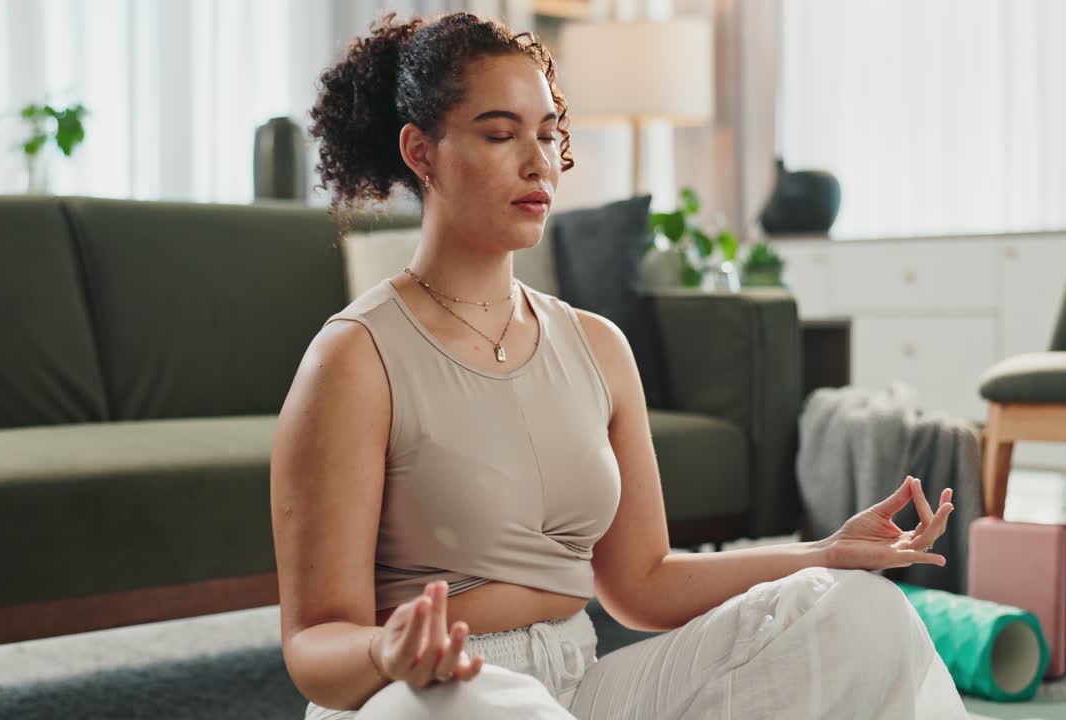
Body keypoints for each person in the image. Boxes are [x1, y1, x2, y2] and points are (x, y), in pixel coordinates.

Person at [270, 11, 966, 720]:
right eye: (501, 134)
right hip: (430, 697)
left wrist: (826, 551)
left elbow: (643, 583)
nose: (539, 161)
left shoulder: (597, 346)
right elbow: (314, 644)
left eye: (547, 133)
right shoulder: (354, 359)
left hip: (579, 687)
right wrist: (388, 655)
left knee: (858, 611)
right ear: (422, 151)